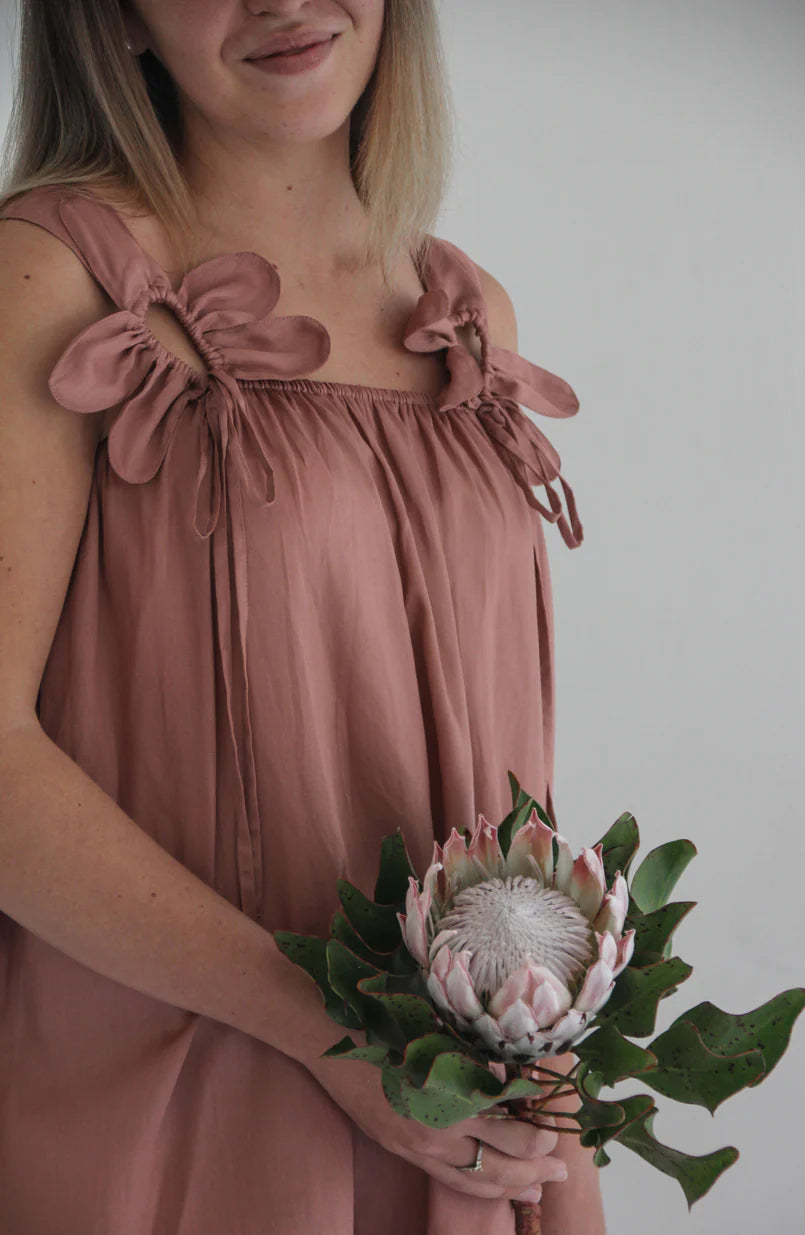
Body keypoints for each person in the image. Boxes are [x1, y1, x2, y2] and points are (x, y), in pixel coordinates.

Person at [0, 2, 605, 1232]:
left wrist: (552, 1095)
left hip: (463, 1124)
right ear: (116, 17)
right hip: (175, 1110)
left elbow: (501, 783)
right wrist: (335, 1033)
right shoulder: (52, 279)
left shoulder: (467, 312)